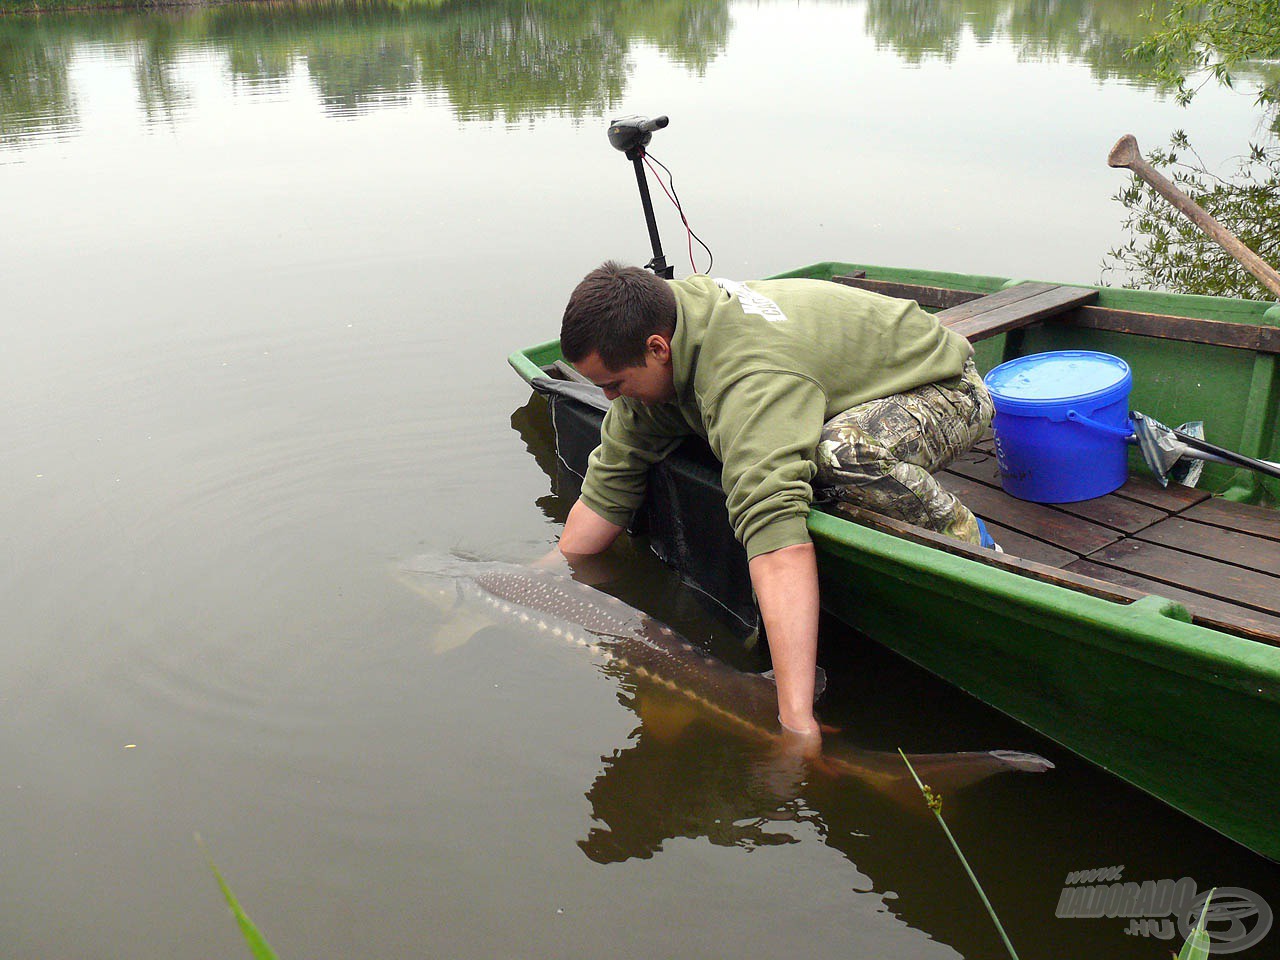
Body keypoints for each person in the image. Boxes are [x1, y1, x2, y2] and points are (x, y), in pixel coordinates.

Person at [555, 262, 994, 745]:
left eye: (613, 385)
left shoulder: (746, 378)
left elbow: (779, 547)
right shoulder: (657, 337)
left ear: (658, 349)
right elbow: (605, 492)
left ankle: (971, 540)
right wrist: (544, 578)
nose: (608, 398)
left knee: (837, 455)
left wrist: (796, 721)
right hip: (817, 374)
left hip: (943, 387)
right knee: (783, 452)